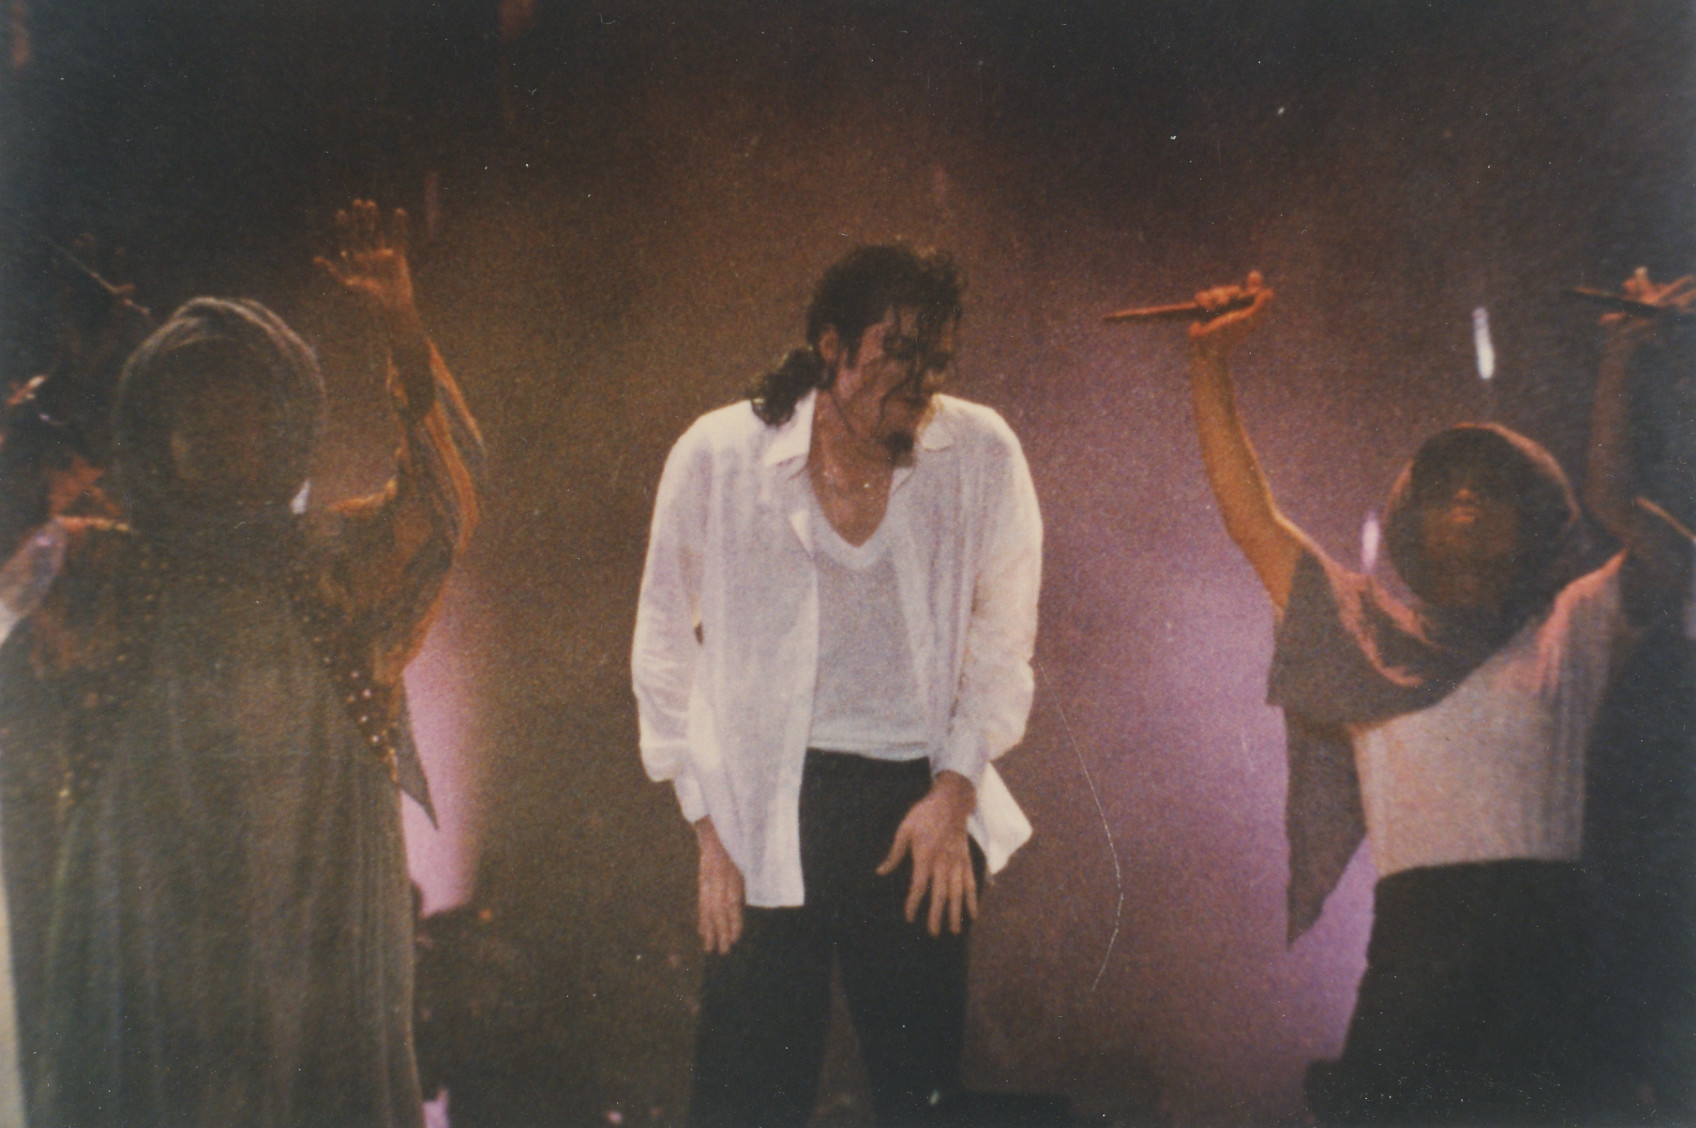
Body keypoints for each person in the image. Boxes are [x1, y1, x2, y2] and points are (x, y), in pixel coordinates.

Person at [10, 199, 483, 1128]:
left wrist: (401, 325)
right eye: (192, 410)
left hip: (308, 992)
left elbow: (445, 506)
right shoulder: (98, 573)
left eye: (240, 410)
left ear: (282, 426)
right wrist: (71, 384)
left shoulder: (343, 568)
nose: (216, 430)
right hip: (154, 996)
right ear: (155, 429)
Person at [1181, 271, 1691, 1124]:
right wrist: (1208, 365)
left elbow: (1658, 546)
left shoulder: (1570, 626)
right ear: (1409, 518)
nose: (1465, 495)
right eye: (1447, 482)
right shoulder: (1363, 634)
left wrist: (1626, 362)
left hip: (1550, 964)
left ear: (1531, 518)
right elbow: (1253, 521)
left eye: (1490, 486)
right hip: (1418, 966)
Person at [631, 244, 1040, 1128]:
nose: (919, 383)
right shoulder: (720, 453)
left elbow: (1004, 641)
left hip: (917, 806)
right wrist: (708, 828)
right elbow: (662, 645)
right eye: (897, 353)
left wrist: (956, 790)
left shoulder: (980, 452)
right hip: (764, 805)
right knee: (745, 1099)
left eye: (936, 360)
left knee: (920, 1096)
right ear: (831, 346)